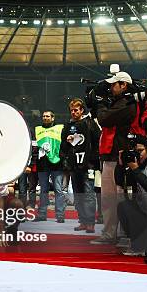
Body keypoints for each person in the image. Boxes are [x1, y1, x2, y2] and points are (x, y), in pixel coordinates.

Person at [90, 71, 144, 245]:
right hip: (112, 155)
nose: (110, 88)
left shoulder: (127, 103)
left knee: (117, 197)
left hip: (119, 156)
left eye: (114, 84)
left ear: (124, 85)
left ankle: (118, 233)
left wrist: (99, 103)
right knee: (112, 197)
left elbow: (104, 118)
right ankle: (112, 233)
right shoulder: (119, 102)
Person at [116, 136, 147, 262]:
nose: (138, 154)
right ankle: (139, 245)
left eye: (140, 151)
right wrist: (121, 166)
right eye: (135, 151)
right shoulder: (136, 165)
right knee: (124, 206)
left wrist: (136, 169)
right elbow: (120, 182)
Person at [61, 98, 101, 233]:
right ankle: (83, 221)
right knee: (78, 195)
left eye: (76, 110)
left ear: (82, 110)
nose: (73, 112)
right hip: (73, 166)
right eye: (71, 110)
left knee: (89, 194)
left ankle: (90, 223)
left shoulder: (90, 123)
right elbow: (63, 148)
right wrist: (67, 144)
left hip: (87, 166)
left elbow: (98, 142)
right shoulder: (67, 126)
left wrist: (92, 161)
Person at [33, 110, 66, 222]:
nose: (45, 118)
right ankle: (42, 214)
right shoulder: (38, 129)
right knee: (43, 190)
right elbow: (34, 146)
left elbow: (65, 144)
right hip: (42, 164)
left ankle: (60, 215)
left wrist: (62, 157)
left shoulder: (60, 128)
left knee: (58, 190)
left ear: (53, 118)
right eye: (44, 116)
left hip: (57, 163)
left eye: (48, 116)